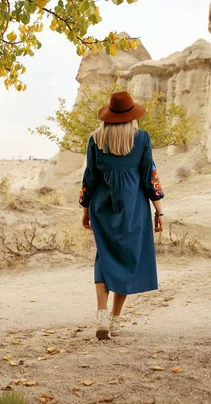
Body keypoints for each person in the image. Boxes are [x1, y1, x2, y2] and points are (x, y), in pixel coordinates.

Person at [79, 90, 165, 340]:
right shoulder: (141, 139)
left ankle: (101, 315)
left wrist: (85, 210)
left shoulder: (95, 139)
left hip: (102, 205)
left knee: (104, 258)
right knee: (127, 258)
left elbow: (90, 178)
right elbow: (150, 175)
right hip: (134, 207)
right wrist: (159, 210)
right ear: (131, 116)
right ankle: (115, 319)